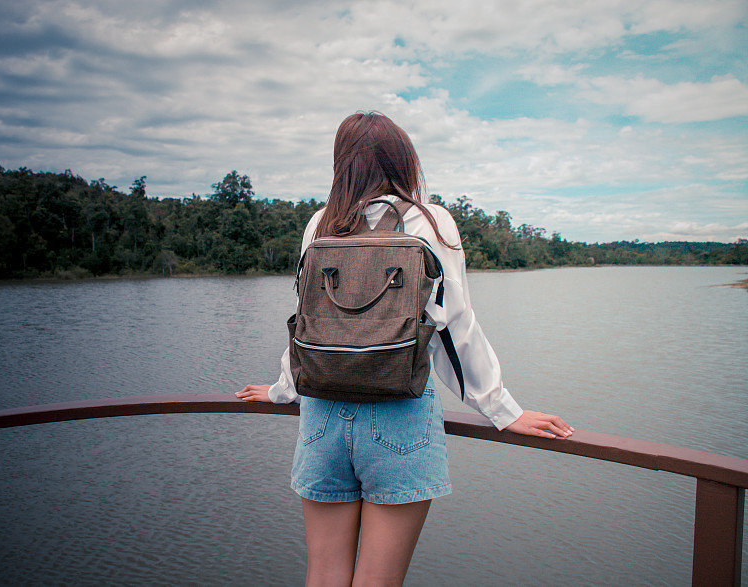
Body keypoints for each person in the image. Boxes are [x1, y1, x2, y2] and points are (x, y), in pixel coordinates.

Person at [237, 111, 573, 586]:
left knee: (324, 576)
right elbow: (454, 327)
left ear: (342, 164)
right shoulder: (430, 221)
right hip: (399, 413)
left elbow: (307, 320)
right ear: (404, 159)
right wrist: (503, 410)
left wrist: (282, 389)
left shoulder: (321, 222)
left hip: (322, 417)